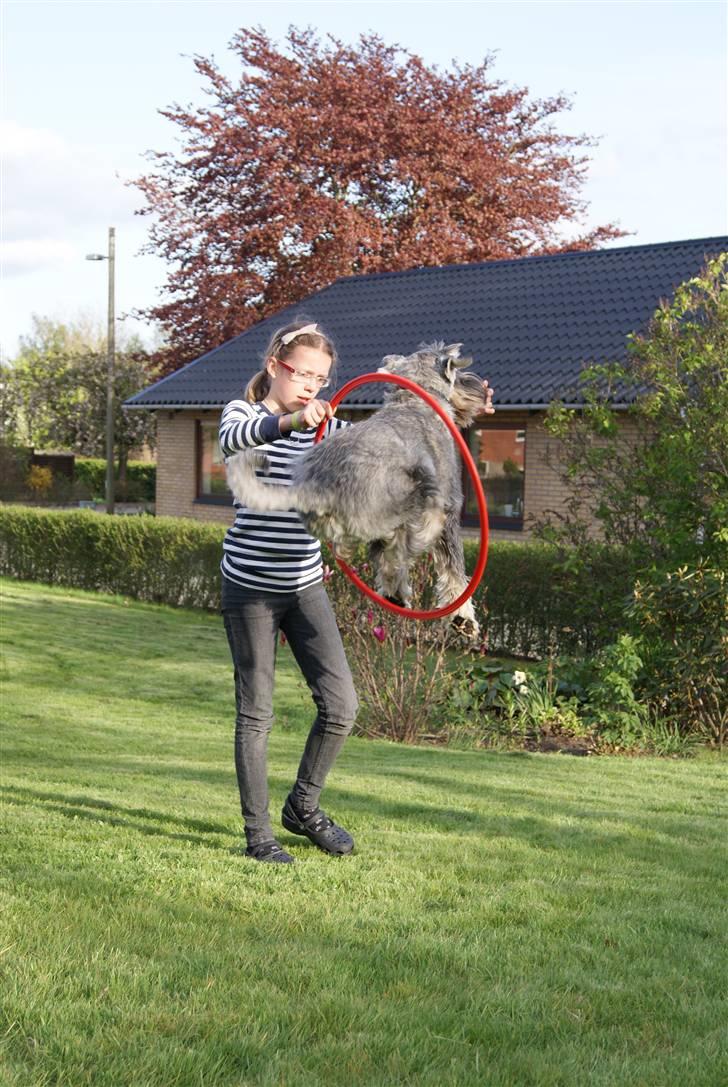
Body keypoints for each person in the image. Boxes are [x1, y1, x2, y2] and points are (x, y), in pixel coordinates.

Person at [219, 318, 358, 864]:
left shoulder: (330, 429)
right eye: (302, 374)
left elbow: (379, 456)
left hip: (303, 585)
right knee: (257, 714)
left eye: (320, 381)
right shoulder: (243, 415)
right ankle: (259, 838)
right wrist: (295, 419)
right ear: (276, 365)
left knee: (342, 705)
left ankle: (303, 806)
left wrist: (454, 407)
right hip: (250, 587)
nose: (311, 387)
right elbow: (238, 440)